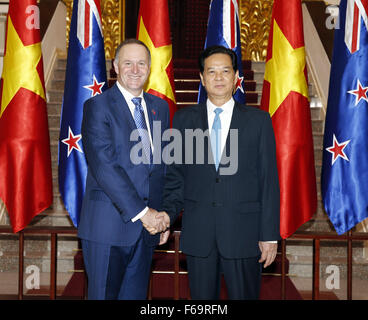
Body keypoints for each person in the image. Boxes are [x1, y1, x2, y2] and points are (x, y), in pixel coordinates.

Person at [161, 45, 280, 300]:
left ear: (236, 76)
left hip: (244, 233)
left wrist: (269, 235)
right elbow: (175, 177)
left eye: (225, 71)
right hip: (199, 234)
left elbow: (268, 181)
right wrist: (167, 217)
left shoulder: (258, 121)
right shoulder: (183, 120)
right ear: (202, 78)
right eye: (211, 71)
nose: (218, 77)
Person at [77, 39, 170, 300]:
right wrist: (145, 214)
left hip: (146, 233)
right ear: (116, 67)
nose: (135, 69)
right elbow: (105, 167)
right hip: (107, 229)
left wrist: (162, 218)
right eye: (127, 63)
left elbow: (159, 168)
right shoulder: (98, 106)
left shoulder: (159, 109)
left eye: (141, 63)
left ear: (150, 68)